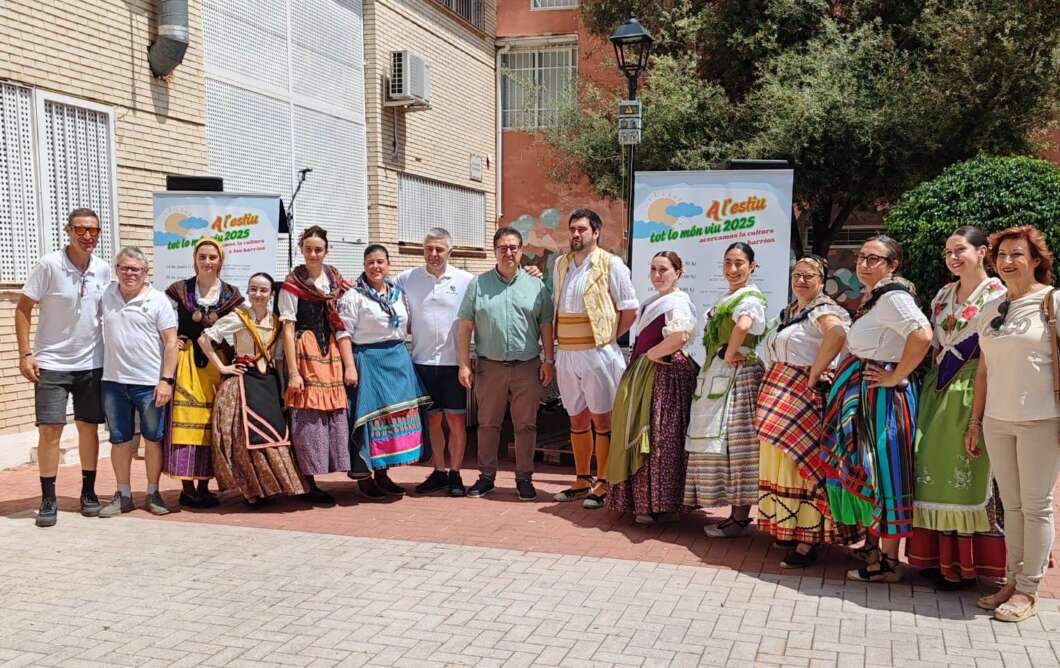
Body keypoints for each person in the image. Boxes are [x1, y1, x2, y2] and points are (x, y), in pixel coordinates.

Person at [820, 235, 932, 583]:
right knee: (871, 468)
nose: (864, 264)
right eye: (862, 257)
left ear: (893, 264)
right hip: (867, 393)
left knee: (885, 470)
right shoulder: (878, 297)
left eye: (874, 259)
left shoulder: (894, 296)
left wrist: (897, 375)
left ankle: (888, 561)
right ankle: (876, 550)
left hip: (883, 397)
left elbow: (922, 334)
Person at [906, 226, 1007, 590]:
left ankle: (964, 566)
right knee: (929, 472)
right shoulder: (943, 294)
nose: (952, 257)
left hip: (972, 389)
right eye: (948, 251)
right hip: (937, 391)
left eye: (960, 250)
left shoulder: (998, 294)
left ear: (982, 252)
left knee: (967, 474)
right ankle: (934, 557)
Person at [972, 225, 1060, 623]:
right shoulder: (992, 308)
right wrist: (975, 420)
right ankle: (1012, 579)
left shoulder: (1052, 302)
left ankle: (1029, 588)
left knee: (1037, 506)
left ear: (1036, 259)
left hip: (1041, 418)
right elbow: (984, 370)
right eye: (1001, 255)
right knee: (1012, 506)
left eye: (1017, 254)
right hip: (997, 419)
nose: (1008, 262)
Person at [756, 256, 863, 568]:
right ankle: (787, 528)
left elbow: (838, 335)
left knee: (804, 467)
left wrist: (816, 372)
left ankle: (809, 539)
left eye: (809, 276)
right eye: (797, 275)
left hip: (804, 395)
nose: (801, 280)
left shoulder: (824, 309)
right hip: (781, 389)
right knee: (782, 462)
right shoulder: (792, 311)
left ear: (822, 279)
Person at [16, 208, 112, 527]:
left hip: (91, 363)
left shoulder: (103, 269)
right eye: (81, 230)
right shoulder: (48, 265)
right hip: (52, 363)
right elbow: (23, 309)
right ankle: (48, 497)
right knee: (50, 430)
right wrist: (26, 353)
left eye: (94, 231)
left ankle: (88, 492)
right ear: (68, 230)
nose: (88, 236)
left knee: (88, 427)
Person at [457, 227, 555, 501]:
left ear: (521, 250)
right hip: (490, 367)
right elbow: (465, 327)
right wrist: (464, 364)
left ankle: (524, 478)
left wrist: (549, 359)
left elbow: (546, 324)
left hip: (527, 366)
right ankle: (486, 477)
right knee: (488, 424)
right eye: (502, 247)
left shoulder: (536, 286)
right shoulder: (478, 285)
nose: (508, 252)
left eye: (513, 247)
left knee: (526, 425)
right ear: (495, 251)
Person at [550, 209, 639, 509]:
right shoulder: (560, 264)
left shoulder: (612, 264)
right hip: (567, 352)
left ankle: (604, 480)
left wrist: (607, 337)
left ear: (596, 232)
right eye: (572, 229)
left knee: (602, 418)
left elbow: (629, 309)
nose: (576, 234)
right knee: (576, 417)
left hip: (597, 351)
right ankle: (581, 478)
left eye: (582, 229)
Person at [198, 273, 308, 507]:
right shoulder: (239, 317)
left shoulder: (276, 321)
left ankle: (271, 487)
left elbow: (278, 356)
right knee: (242, 437)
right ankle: (252, 491)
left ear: (271, 294)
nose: (258, 295)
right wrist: (222, 366)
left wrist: (284, 384)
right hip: (242, 380)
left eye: (263, 290)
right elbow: (205, 338)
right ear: (248, 292)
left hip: (267, 381)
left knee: (272, 433)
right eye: (253, 289)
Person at [607, 251, 698, 524]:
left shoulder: (677, 302)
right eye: (654, 269)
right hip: (645, 373)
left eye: (664, 270)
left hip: (663, 376)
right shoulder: (654, 302)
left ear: (678, 272)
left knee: (658, 435)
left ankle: (658, 502)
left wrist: (651, 355)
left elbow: (681, 335)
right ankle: (642, 502)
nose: (657, 275)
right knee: (639, 429)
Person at [684, 242, 767, 537]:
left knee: (738, 444)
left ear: (752, 266)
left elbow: (744, 323)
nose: (732, 269)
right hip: (719, 374)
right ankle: (735, 513)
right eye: (728, 263)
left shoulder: (750, 297)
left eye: (739, 263)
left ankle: (740, 515)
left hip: (737, 376)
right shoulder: (730, 295)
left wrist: (731, 352)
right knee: (724, 443)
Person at [340, 244, 431, 499]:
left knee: (393, 419)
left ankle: (383, 473)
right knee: (371, 419)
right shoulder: (354, 296)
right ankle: (365, 477)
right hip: (368, 361)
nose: (376, 267)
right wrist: (349, 366)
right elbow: (343, 333)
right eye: (370, 262)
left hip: (397, 360)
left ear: (388, 264)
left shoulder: (399, 295)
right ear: (364, 265)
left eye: (380, 261)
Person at [97, 247, 178, 517]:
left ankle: (153, 493)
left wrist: (166, 380)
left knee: (152, 440)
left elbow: (170, 343)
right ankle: (123, 494)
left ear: (145, 273)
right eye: (124, 268)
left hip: (149, 384)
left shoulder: (158, 301)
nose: (130, 273)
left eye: (136, 269)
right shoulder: (107, 295)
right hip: (113, 382)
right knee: (119, 440)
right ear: (117, 270)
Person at [164, 238, 244, 508]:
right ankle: (187, 487)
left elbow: (240, 329)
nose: (208, 262)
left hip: (216, 362)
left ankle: (204, 485)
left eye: (213, 257)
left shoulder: (231, 295)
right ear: (195, 259)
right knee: (186, 421)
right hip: (187, 362)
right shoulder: (179, 291)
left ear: (221, 260)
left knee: (212, 424)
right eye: (203, 257)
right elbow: (165, 321)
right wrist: (171, 339)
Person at [397, 228, 475, 497]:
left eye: (439, 249)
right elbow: (378, 288)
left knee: (455, 421)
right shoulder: (407, 278)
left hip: (454, 363)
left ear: (450, 251)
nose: (433, 254)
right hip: (421, 362)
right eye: (429, 248)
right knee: (432, 421)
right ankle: (439, 471)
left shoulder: (466, 280)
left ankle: (455, 474)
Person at [280, 226, 351, 505]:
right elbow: (288, 328)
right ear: (301, 250)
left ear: (326, 251)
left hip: (330, 351)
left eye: (318, 249)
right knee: (307, 415)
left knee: (331, 413)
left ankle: (321, 473)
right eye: (308, 249)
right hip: (305, 350)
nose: (313, 254)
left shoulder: (334, 278)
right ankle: (307, 480)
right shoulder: (293, 282)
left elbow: (351, 305)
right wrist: (294, 371)